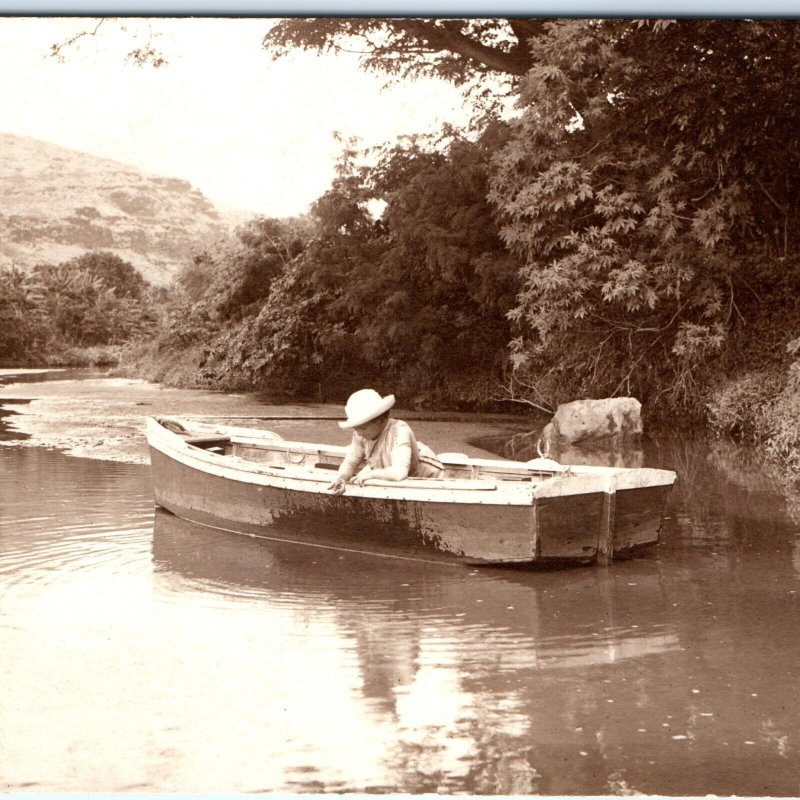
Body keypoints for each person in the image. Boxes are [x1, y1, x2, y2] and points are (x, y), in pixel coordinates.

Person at [327, 389, 443, 495]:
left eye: (362, 427)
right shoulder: (360, 434)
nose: (358, 432)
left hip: (429, 480)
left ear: (380, 420)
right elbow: (351, 462)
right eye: (355, 427)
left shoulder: (399, 430)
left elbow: (399, 473)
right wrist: (341, 478)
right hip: (393, 477)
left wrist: (370, 474)